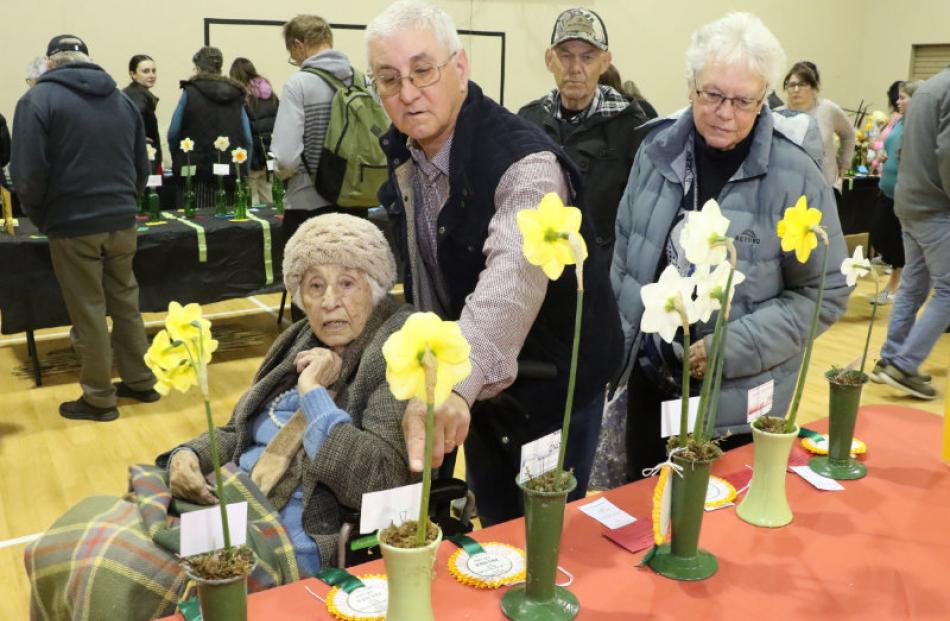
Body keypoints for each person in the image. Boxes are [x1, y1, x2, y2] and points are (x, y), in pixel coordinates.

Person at [25, 214, 416, 618]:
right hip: (227, 498)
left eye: (347, 283)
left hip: (282, 526)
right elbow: (237, 430)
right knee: (69, 540)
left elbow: (383, 479)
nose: (328, 300)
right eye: (315, 285)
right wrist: (189, 456)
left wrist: (314, 395)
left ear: (374, 286)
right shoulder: (298, 337)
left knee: (115, 573)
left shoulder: (395, 350)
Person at [367, 0, 621, 525]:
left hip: (555, 384)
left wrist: (457, 382)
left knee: (546, 538)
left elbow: (513, 277)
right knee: (499, 525)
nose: (408, 93)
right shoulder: (407, 153)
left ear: (460, 67)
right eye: (389, 79)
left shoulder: (525, 162)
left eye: (422, 70)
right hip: (481, 388)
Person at [611, 13, 849, 481]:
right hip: (649, 385)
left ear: (764, 100)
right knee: (645, 520)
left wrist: (728, 346)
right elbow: (624, 255)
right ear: (691, 87)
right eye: (713, 95)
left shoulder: (795, 175)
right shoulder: (655, 151)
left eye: (743, 101)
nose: (725, 112)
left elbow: (824, 292)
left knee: (717, 534)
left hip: (735, 401)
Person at [10, 35, 159, 422]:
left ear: (49, 62)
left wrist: (41, 216)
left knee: (89, 310)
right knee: (126, 303)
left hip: (72, 222)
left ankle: (99, 398)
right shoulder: (122, 100)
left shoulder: (37, 101)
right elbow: (141, 165)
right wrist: (128, 203)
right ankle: (140, 380)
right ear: (88, 60)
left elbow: (27, 173)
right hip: (122, 218)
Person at [519, 7, 648, 258]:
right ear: (549, 59)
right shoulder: (527, 122)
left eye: (588, 57)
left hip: (599, 274)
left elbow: (641, 219)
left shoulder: (632, 128)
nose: (575, 68)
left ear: (605, 62)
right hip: (538, 270)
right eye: (565, 56)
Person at [272, 15, 359, 320]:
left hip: (309, 207)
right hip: (355, 207)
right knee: (350, 296)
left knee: (309, 299)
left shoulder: (299, 85)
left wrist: (281, 176)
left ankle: (310, 364)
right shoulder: (361, 81)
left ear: (299, 45)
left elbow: (285, 158)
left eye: (292, 53)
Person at [871, 67, 950, 400]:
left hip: (909, 200)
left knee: (915, 285)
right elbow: (947, 153)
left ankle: (889, 359)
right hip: (934, 205)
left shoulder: (932, 85)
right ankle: (904, 364)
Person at [167, 46, 252, 208]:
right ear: (220, 68)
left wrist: (177, 156)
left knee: (193, 224)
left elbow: (173, 132)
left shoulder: (190, 91)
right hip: (229, 172)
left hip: (193, 171)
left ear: (198, 68)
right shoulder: (237, 94)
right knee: (227, 223)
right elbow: (247, 138)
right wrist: (242, 168)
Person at [868, 80, 922, 305]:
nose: (897, 102)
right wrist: (882, 155)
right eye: (898, 97)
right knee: (878, 235)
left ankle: (894, 285)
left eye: (903, 98)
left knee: (897, 240)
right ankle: (900, 272)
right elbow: (886, 144)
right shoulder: (898, 121)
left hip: (906, 194)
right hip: (886, 189)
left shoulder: (921, 125)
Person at [778, 61, 855, 192]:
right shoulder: (777, 115)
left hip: (824, 187)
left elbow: (849, 135)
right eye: (791, 85)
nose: (796, 89)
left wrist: (844, 164)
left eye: (802, 84)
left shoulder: (828, 110)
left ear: (813, 87)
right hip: (788, 188)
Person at [230, 57, 279, 206]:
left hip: (252, 157)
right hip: (270, 156)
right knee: (269, 199)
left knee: (252, 201)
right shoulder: (272, 96)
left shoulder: (243, 99)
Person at [123, 54, 163, 173]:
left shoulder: (131, 94)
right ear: (133, 74)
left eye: (153, 71)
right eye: (146, 71)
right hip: (143, 160)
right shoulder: (138, 98)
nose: (151, 75)